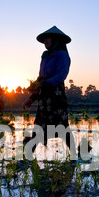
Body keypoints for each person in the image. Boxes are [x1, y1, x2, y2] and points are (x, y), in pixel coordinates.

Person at [24, 26, 76, 158]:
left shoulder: (62, 55)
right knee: (39, 126)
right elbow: (40, 77)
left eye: (48, 38)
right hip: (44, 97)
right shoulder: (45, 56)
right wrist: (32, 96)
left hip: (56, 95)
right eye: (45, 39)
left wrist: (45, 83)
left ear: (56, 40)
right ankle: (27, 156)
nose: (45, 41)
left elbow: (61, 75)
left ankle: (76, 154)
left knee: (63, 127)